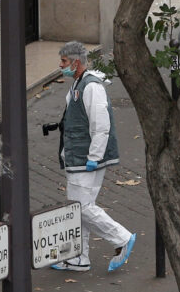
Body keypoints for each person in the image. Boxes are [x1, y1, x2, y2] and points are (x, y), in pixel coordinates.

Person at [50, 42, 137, 273]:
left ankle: (121, 238)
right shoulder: (81, 85)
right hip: (79, 157)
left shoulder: (90, 87)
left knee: (81, 208)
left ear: (76, 62)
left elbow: (101, 126)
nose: (61, 66)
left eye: (65, 62)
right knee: (78, 208)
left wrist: (94, 157)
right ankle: (78, 258)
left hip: (85, 159)